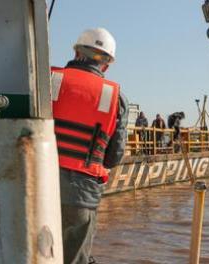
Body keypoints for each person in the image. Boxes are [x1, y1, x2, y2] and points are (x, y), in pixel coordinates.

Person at [51, 28, 128, 264]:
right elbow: (113, 158)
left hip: (37, 183)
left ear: (76, 51)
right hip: (81, 195)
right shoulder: (115, 96)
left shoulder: (49, 80)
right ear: (106, 64)